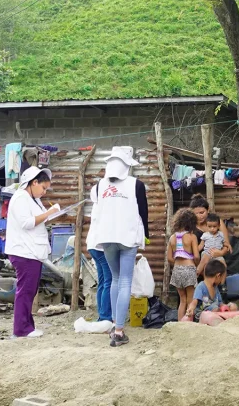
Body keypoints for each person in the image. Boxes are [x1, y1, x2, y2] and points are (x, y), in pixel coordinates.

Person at [86, 146, 148, 347]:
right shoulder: (136, 185)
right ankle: (120, 332)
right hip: (127, 237)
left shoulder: (98, 186)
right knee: (125, 282)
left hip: (106, 238)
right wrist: (145, 235)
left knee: (115, 279)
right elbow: (143, 213)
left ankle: (114, 324)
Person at [5, 166, 61, 338]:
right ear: (34, 182)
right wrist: (50, 212)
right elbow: (27, 223)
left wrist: (54, 213)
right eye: (43, 188)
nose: (44, 192)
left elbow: (42, 218)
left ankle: (27, 326)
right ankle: (21, 329)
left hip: (32, 251)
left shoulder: (33, 199)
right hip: (24, 252)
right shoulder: (21, 197)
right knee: (25, 290)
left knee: (30, 290)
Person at [182, 259, 239, 326]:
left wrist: (225, 306)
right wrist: (191, 309)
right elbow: (194, 302)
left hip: (217, 312)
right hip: (202, 315)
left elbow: (220, 303)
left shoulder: (215, 288)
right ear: (218, 276)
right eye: (221, 278)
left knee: (233, 306)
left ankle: (223, 320)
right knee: (214, 308)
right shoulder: (201, 287)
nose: (221, 281)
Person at [168, 209, 200, 320]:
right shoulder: (192, 237)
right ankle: (188, 325)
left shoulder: (172, 238)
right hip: (189, 269)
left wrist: (178, 264)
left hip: (177, 270)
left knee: (182, 300)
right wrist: (195, 264)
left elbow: (169, 258)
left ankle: (179, 325)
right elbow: (196, 256)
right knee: (190, 300)